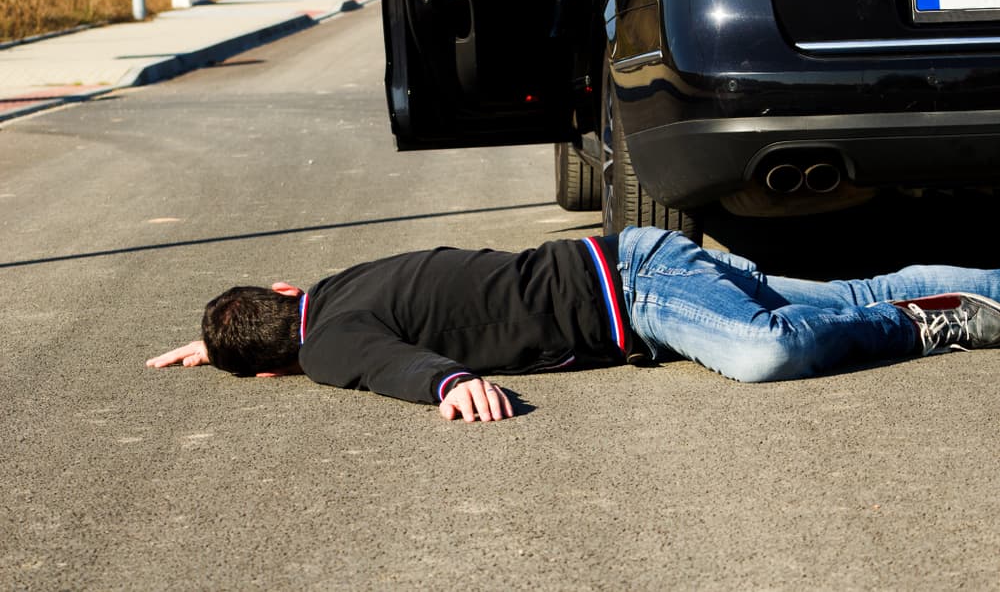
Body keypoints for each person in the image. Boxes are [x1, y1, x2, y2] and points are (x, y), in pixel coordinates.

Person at [147, 226, 1000, 423]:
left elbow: (384, 365)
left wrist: (450, 383)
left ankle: (928, 325)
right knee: (848, 292)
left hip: (637, 292)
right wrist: (218, 335)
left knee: (765, 350)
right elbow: (285, 302)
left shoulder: (324, 345)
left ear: (272, 369)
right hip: (642, 262)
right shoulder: (326, 294)